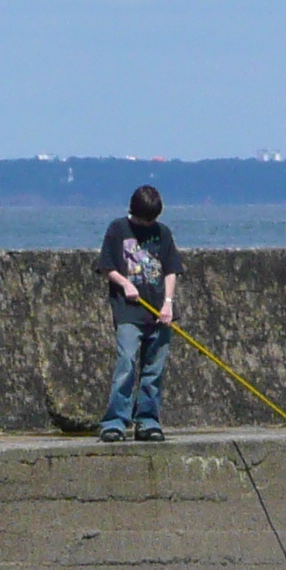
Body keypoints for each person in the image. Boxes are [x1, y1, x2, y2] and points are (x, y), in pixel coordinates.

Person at [94, 185, 183, 443]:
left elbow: (171, 270)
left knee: (154, 369)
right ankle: (115, 421)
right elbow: (106, 266)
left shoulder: (163, 233)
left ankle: (148, 420)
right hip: (128, 311)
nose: (147, 224)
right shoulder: (117, 230)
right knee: (127, 362)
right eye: (144, 219)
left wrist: (168, 303)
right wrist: (125, 284)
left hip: (158, 312)